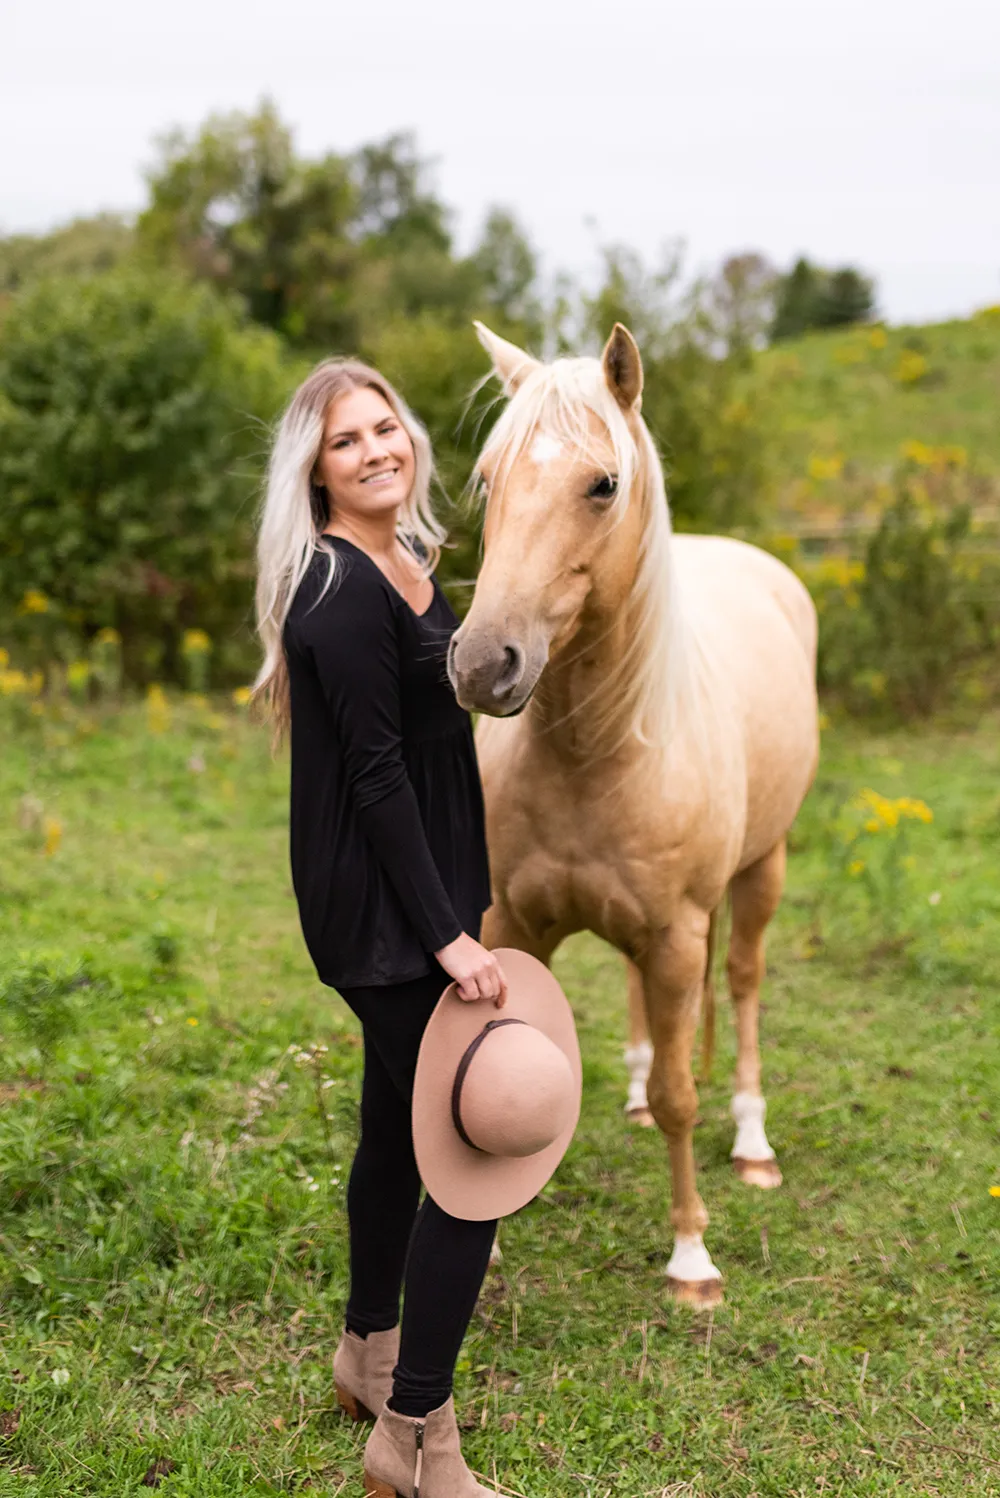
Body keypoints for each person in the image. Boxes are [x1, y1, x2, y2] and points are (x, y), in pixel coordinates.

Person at [252, 357, 508, 1497]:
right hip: (385, 904)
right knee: (479, 1152)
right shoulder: (337, 588)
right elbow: (372, 775)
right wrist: (449, 933)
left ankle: (367, 1349)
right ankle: (415, 1439)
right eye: (346, 440)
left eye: (386, 427)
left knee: (397, 1128)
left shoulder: (405, 558)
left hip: (435, 882)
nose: (376, 450)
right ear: (314, 471)